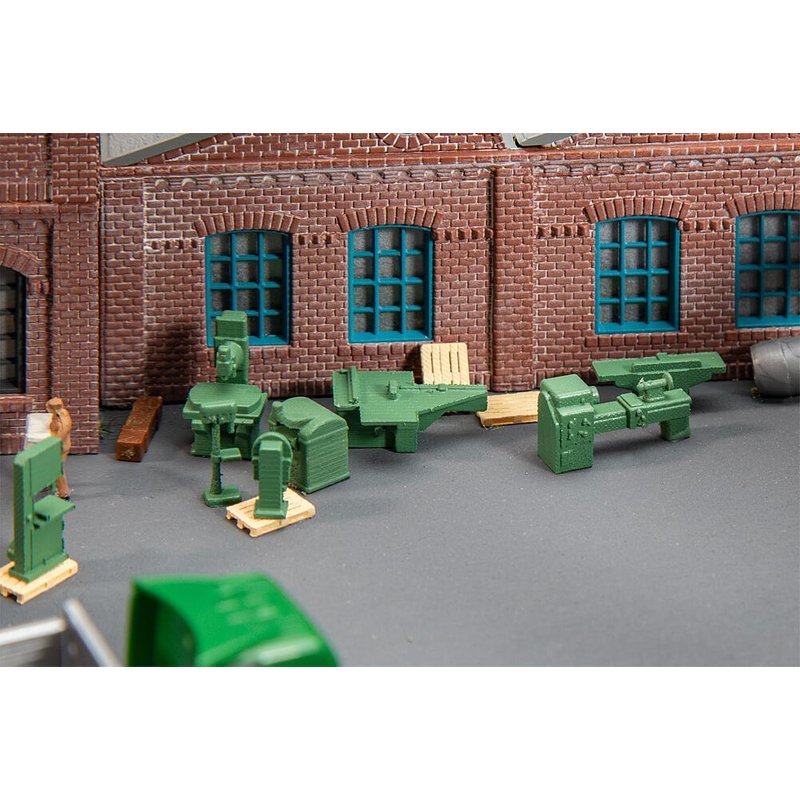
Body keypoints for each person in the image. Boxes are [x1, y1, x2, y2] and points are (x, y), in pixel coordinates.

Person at [46, 397, 72, 499]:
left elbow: (62, 433)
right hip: (57, 445)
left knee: (58, 469)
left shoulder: (64, 418)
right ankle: (52, 484)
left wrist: (52, 443)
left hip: (60, 447)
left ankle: (64, 493)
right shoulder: (57, 415)